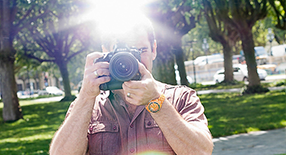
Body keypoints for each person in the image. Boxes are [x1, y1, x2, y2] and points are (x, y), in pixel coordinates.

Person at [49, 14, 213, 155]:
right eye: (122, 54)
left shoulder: (181, 98)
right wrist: (85, 96)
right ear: (105, 52)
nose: (131, 62)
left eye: (140, 51)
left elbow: (202, 151)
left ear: (154, 49)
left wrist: (156, 102)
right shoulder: (87, 106)